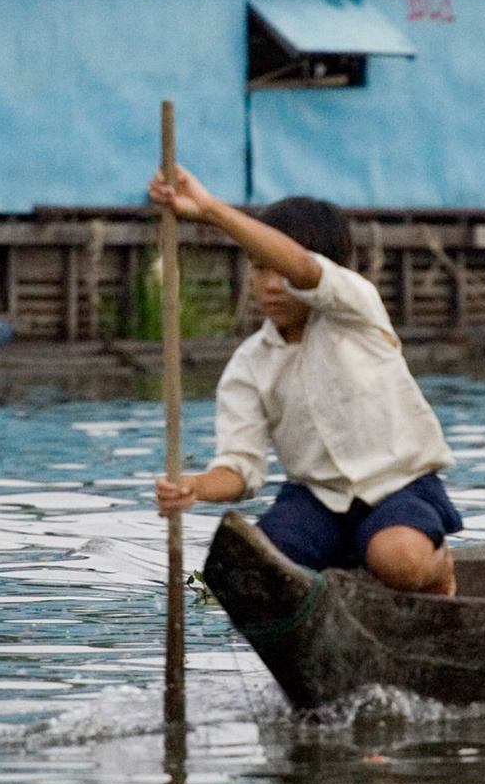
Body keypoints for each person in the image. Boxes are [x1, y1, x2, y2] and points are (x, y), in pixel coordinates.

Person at [149, 166, 462, 595]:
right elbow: (241, 469)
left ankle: (438, 567)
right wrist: (193, 487)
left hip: (398, 488)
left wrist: (209, 210)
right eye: (259, 269)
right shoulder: (250, 364)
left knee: (398, 560)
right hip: (318, 503)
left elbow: (302, 268)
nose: (271, 285)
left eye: (279, 270)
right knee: (242, 573)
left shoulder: (355, 309)